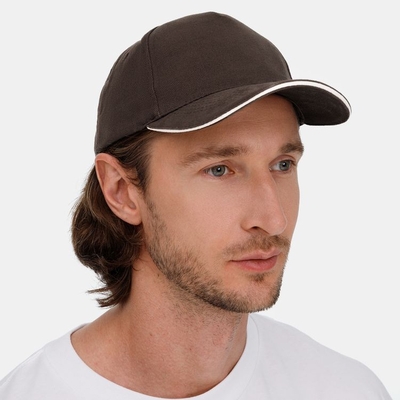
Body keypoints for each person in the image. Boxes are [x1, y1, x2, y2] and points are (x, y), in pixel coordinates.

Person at [0, 11, 392, 400]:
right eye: (220, 169)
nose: (273, 219)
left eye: (282, 165)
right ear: (121, 191)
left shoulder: (346, 390)